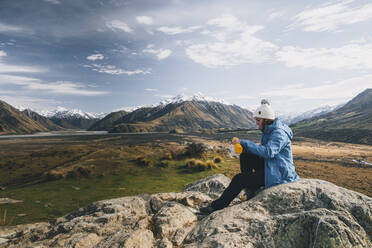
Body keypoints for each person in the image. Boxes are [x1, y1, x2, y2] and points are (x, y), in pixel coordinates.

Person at [200, 99, 299, 215]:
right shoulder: (270, 130)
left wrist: (245, 143)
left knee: (239, 179)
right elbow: (264, 152)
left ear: (266, 120)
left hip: (279, 174)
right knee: (245, 155)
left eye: (258, 120)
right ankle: (251, 189)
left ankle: (216, 207)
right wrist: (244, 147)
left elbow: (268, 152)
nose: (256, 123)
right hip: (272, 166)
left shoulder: (279, 133)